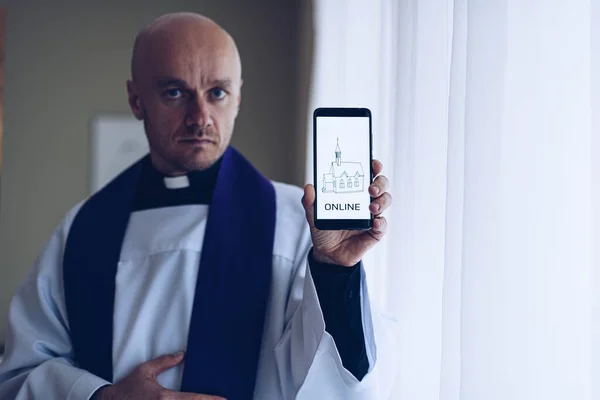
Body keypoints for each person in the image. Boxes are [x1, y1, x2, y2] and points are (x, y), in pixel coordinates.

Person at [0, 12, 397, 400]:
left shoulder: (295, 223)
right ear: (136, 100)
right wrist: (102, 396)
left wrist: (335, 272)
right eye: (175, 93)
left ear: (238, 97)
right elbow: (18, 376)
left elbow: (336, 383)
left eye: (217, 93)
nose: (200, 117)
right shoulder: (83, 230)